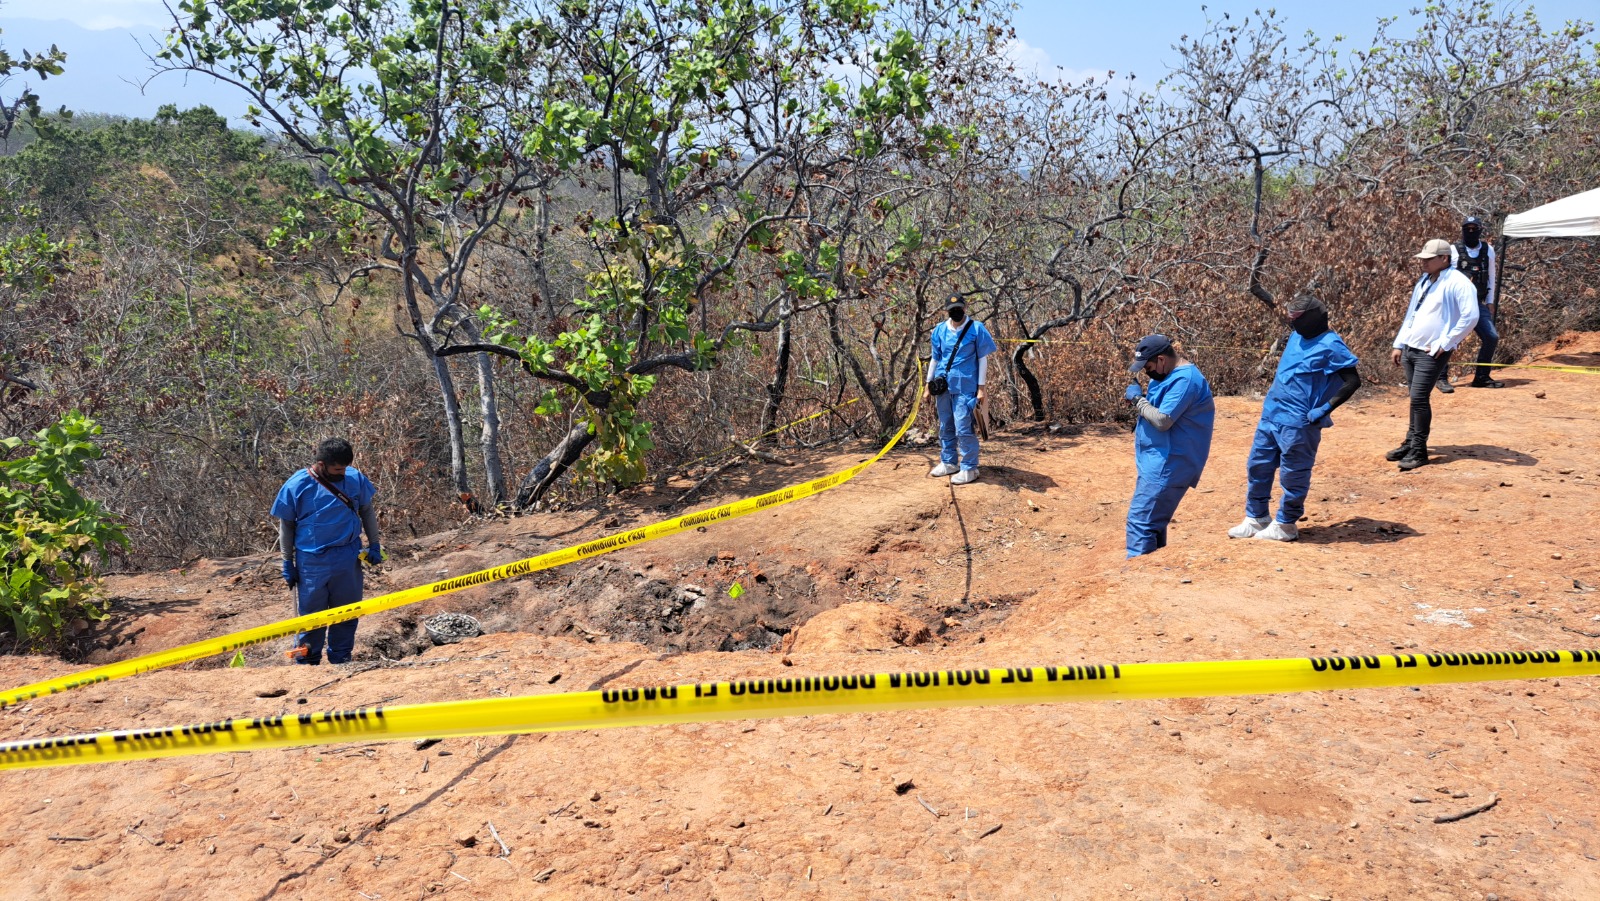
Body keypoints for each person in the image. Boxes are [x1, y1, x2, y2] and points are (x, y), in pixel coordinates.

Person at [1228, 295, 1361, 542]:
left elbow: (1353, 381)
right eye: (1291, 318)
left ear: (1314, 318)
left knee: (1293, 473)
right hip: (1272, 414)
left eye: (1297, 319)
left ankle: (1286, 524)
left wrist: (1324, 409)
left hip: (1300, 421)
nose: (1292, 324)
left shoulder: (1331, 345)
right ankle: (1256, 518)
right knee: (1258, 466)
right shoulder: (1295, 336)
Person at [273, 438, 383, 665]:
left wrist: (374, 544)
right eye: (337, 469)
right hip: (312, 563)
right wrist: (287, 561)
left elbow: (367, 511)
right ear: (321, 464)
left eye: (345, 468)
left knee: (347, 613)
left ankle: (341, 660)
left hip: (347, 558)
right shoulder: (296, 485)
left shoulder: (354, 478)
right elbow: (287, 526)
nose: (342, 473)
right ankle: (307, 663)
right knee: (312, 618)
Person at [1388, 238, 1479, 471]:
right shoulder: (1425, 280)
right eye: (1423, 259)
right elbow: (1412, 313)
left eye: (1429, 259)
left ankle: (1419, 450)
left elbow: (1470, 316)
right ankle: (1410, 442)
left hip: (1431, 351)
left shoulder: (1459, 282)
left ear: (1444, 259)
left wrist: (1446, 342)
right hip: (1411, 346)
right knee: (1414, 397)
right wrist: (1399, 343)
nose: (1424, 263)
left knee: (1419, 398)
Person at [1123, 335, 1215, 557]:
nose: (1147, 372)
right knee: (1153, 522)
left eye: (1149, 366)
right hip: (1158, 460)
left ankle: (1137, 579)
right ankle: (1153, 571)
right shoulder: (1167, 374)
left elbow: (1163, 420)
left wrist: (1138, 401)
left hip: (1169, 463)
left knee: (1140, 522)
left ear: (1162, 359)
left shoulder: (1185, 380)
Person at [924, 294, 998, 485]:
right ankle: (949, 462)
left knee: (963, 426)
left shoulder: (976, 329)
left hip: (966, 385)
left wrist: (981, 388)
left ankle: (969, 468)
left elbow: (983, 359)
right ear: (946, 311)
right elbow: (935, 358)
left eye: (959, 308)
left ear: (965, 308)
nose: (956, 312)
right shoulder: (939, 330)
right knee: (945, 424)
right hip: (943, 385)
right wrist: (927, 384)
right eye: (952, 309)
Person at [1457, 216, 1504, 388]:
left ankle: (1482, 377)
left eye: (1474, 228)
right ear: (1462, 230)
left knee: (1491, 337)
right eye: (1467, 229)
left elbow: (1491, 276)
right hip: (1457, 304)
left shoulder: (1488, 250)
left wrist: (1490, 301)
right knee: (1449, 338)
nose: (1471, 232)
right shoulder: (1454, 250)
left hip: (1478, 302)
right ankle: (1441, 377)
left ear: (1480, 230)